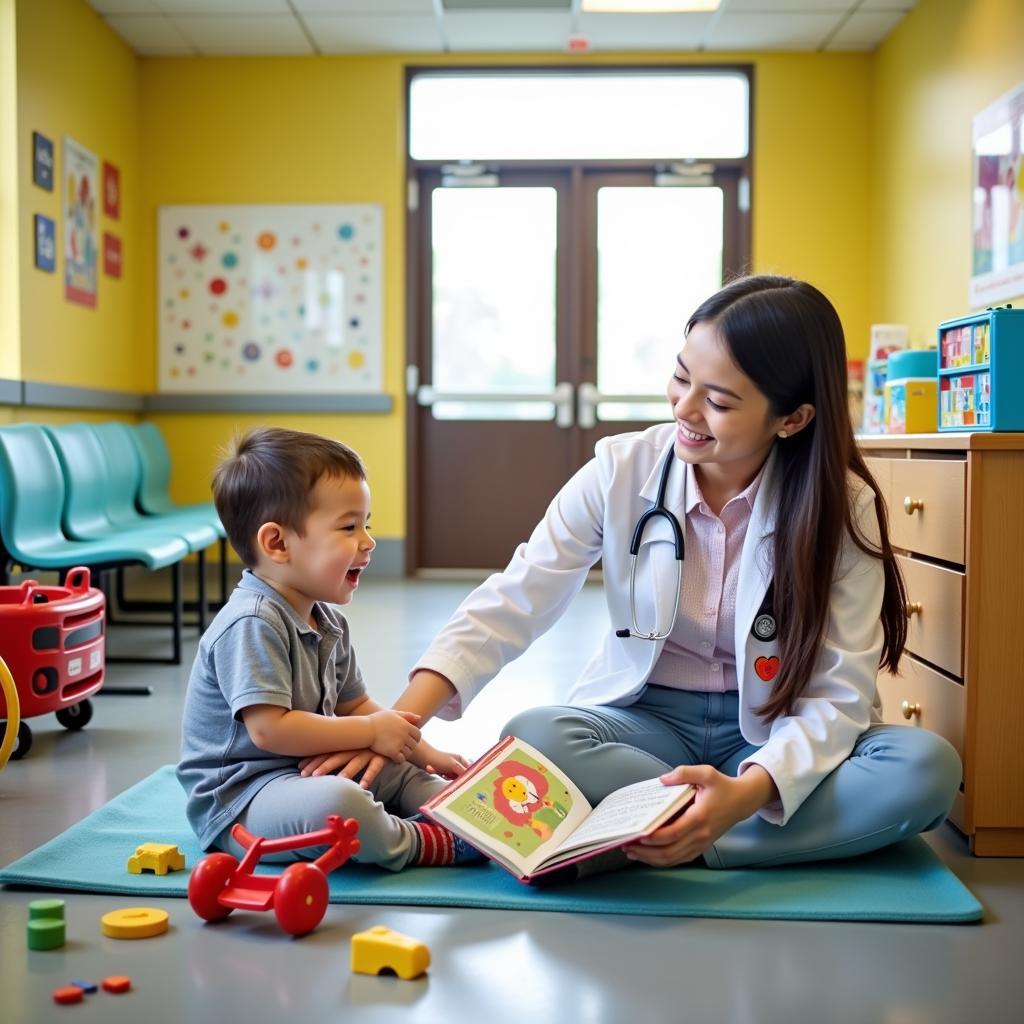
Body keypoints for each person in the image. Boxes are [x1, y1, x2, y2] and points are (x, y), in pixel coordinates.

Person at [334, 274, 961, 874]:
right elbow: (517, 595)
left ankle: (690, 836)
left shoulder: (842, 508)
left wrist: (747, 792)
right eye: (681, 377)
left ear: (791, 418)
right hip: (647, 726)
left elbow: (839, 695)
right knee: (534, 734)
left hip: (775, 731)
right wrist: (398, 725)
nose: (684, 409)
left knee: (925, 767)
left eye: (717, 401)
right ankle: (737, 833)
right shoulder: (621, 470)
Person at [176, 427, 482, 870]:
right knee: (341, 803)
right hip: (244, 798)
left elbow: (355, 704)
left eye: (367, 524)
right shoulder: (252, 622)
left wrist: (423, 753)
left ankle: (458, 812)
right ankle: (422, 842)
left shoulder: (328, 620)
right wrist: (372, 732)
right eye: (348, 527)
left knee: (392, 767)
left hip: (305, 769)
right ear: (277, 544)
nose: (368, 541)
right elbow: (270, 730)